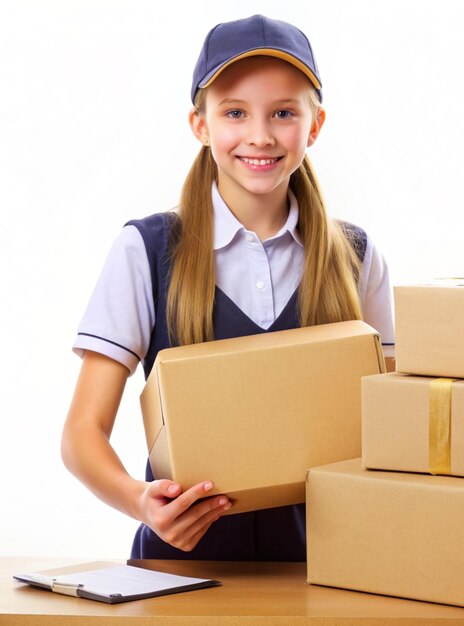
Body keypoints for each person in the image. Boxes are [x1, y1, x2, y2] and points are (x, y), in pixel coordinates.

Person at [62, 14, 394, 561]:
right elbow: (81, 433)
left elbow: (392, 425)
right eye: (235, 112)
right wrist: (142, 502)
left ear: (315, 125)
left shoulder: (354, 256)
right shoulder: (146, 250)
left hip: (327, 572)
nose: (259, 136)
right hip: (179, 577)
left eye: (283, 113)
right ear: (201, 125)